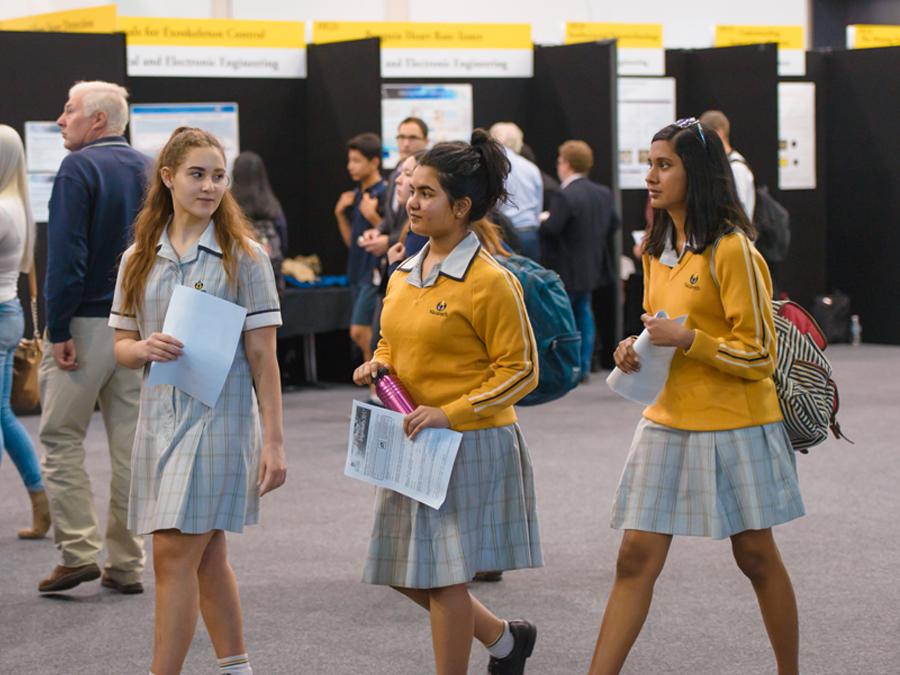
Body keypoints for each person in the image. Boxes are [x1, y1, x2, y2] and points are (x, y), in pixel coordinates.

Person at [588, 118, 804, 675]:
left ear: (696, 173)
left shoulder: (734, 250)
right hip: (667, 417)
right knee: (634, 556)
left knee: (755, 556)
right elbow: (660, 326)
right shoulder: (655, 248)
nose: (650, 176)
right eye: (651, 163)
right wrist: (631, 348)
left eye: (665, 165)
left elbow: (759, 354)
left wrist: (689, 339)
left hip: (737, 420)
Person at [353, 129, 543, 675]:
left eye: (426, 193)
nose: (411, 202)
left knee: (443, 577)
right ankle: (505, 641)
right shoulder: (405, 272)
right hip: (413, 440)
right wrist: (379, 361)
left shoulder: (491, 281)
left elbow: (522, 371)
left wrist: (451, 412)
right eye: (411, 190)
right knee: (400, 568)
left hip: (469, 442)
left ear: (461, 207)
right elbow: (393, 339)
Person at [110, 127, 286, 675]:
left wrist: (275, 443)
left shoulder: (245, 256)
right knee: (207, 558)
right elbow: (119, 347)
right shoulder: (137, 258)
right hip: (158, 422)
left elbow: (264, 357)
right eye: (197, 174)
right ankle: (237, 668)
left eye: (217, 175)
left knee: (169, 554)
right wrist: (141, 347)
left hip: (220, 423)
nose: (210, 186)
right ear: (167, 178)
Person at [38, 81, 148, 594]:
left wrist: (57, 327)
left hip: (81, 327)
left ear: (98, 120)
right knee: (129, 445)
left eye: (69, 110)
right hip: (137, 327)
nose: (62, 120)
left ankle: (78, 551)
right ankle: (128, 562)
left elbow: (67, 257)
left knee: (62, 439)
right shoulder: (152, 169)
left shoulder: (78, 168)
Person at [0, 125, 48, 539]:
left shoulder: (1, 208)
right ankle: (40, 501)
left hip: (0, 314)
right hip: (7, 311)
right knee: (3, 415)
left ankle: (41, 502)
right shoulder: (17, 204)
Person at [540, 140, 620, 382]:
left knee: (566, 320)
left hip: (566, 267)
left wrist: (543, 220)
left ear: (566, 163)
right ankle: (583, 366)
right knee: (585, 315)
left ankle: (570, 368)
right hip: (592, 266)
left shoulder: (565, 196)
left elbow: (553, 229)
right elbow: (614, 223)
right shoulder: (603, 193)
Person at [334, 133, 386, 370]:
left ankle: (378, 385)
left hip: (374, 272)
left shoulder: (384, 193)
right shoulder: (355, 196)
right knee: (361, 332)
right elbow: (352, 242)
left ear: (374, 162)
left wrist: (372, 216)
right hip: (356, 270)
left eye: (357, 160)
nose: (350, 166)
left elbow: (393, 234)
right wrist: (339, 215)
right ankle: (375, 387)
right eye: (349, 160)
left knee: (362, 332)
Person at [231, 150, 287, 289]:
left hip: (238, 278)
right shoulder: (273, 205)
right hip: (271, 278)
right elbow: (283, 241)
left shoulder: (229, 207)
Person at [489, 122, 543, 262]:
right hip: (530, 235)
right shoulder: (531, 168)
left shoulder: (493, 166)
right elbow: (538, 205)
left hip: (503, 235)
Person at [699, 110, 755, 221]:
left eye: (704, 136)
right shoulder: (723, 164)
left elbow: (739, 210)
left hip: (736, 235)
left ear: (718, 133)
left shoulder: (736, 168)